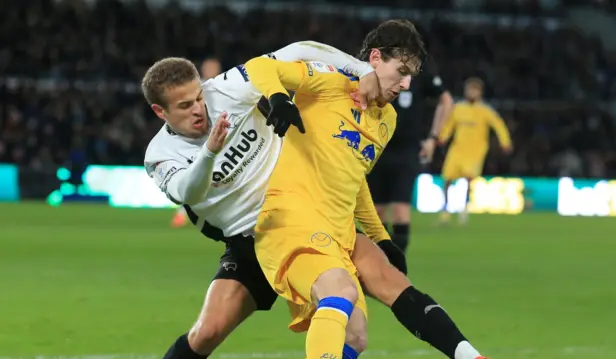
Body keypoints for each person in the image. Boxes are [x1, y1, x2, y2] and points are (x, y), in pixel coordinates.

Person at [143, 39, 485, 359]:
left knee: (359, 330)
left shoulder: (226, 90)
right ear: (161, 111)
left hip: (308, 210)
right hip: (250, 238)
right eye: (185, 106)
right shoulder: (159, 155)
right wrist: (210, 152)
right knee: (206, 333)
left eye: (198, 97)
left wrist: (362, 71)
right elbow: (188, 191)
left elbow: (302, 49)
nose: (199, 109)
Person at [244, 20, 485, 359]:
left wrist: (380, 237)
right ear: (374, 58)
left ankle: (471, 355)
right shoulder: (330, 83)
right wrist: (280, 98)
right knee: (341, 292)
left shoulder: (386, 120)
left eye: (411, 77)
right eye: (400, 71)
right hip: (292, 219)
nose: (405, 84)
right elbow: (260, 66)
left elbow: (355, 180)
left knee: (360, 331)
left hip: (339, 229)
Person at [367, 68, 454, 253]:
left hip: (407, 150)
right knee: (377, 213)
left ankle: (398, 268)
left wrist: (433, 137)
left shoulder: (421, 69)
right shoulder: (375, 63)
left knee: (400, 210)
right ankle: (380, 269)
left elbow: (446, 100)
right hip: (376, 148)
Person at [438, 77, 512, 225]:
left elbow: (499, 125)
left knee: (468, 180)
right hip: (457, 149)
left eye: (474, 90)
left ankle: (464, 209)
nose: (471, 92)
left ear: (480, 93)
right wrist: (443, 137)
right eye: (469, 89)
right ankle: (446, 211)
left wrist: (505, 142)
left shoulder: (485, 110)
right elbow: (449, 125)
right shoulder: (458, 108)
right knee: (447, 179)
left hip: (475, 151)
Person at [171, 56, 224, 228]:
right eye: (208, 67)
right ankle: (183, 212)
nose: (210, 70)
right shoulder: (195, 88)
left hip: (220, 137)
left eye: (213, 67)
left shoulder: (223, 86)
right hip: (197, 140)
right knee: (193, 174)